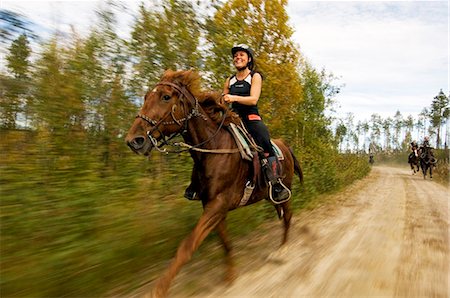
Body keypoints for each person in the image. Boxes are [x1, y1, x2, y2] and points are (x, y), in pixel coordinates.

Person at [185, 44, 289, 202]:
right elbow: (223, 101)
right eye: (235, 56)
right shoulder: (230, 80)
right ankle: (196, 185)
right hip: (233, 118)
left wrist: (233, 98)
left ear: (248, 59)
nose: (237, 58)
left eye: (241, 55)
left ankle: (276, 184)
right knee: (208, 142)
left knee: (264, 140)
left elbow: (253, 99)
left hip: (251, 118)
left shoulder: (255, 77)